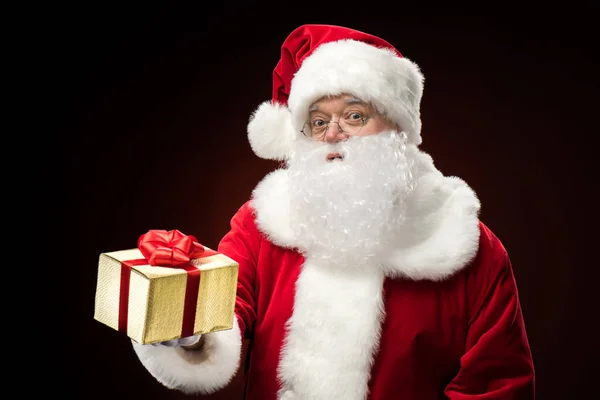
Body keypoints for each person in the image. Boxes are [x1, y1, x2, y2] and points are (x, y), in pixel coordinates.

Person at [130, 24, 535, 399]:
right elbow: (226, 307)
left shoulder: (461, 241)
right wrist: (185, 323)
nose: (333, 134)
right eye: (318, 121)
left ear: (397, 125)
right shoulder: (263, 222)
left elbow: (496, 384)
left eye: (355, 116)